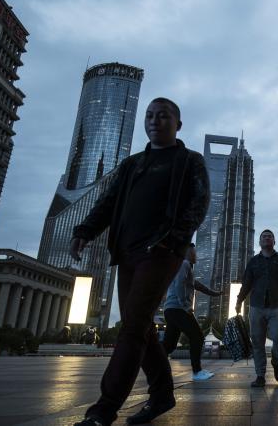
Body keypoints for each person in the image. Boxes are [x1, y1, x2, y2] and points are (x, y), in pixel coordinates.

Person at [71, 98, 210, 426]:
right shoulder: (133, 164)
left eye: (163, 116)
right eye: (149, 116)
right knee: (142, 325)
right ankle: (162, 395)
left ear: (178, 123)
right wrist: (85, 230)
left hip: (161, 252)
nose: (154, 121)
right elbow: (108, 201)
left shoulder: (189, 161)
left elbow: (199, 202)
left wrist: (173, 240)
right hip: (127, 253)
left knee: (133, 325)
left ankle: (103, 409)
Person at [235, 230, 278, 388]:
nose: (267, 238)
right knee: (257, 342)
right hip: (256, 307)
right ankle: (260, 375)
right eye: (264, 236)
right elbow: (246, 283)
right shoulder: (253, 262)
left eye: (270, 236)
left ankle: (276, 360)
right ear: (260, 242)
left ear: (274, 241)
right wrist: (239, 301)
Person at [162, 243, 221, 380]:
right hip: (178, 309)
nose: (196, 255)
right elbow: (179, 284)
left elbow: (198, 286)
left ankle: (149, 359)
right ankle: (197, 371)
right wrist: (185, 305)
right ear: (187, 252)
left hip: (171, 310)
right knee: (198, 337)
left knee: (169, 345)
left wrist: (215, 293)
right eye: (194, 252)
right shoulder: (184, 264)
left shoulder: (185, 267)